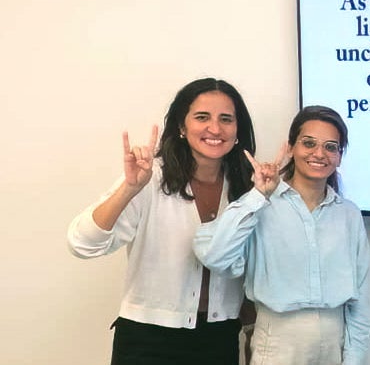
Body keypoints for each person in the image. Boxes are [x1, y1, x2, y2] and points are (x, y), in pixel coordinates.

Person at [67, 78, 256, 364]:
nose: (215, 129)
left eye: (226, 119)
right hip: (148, 340)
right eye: (202, 117)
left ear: (238, 129)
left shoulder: (248, 186)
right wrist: (129, 189)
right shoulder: (151, 177)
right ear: (182, 126)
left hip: (220, 338)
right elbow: (82, 244)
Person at [194, 105, 370, 365]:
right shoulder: (261, 205)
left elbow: (361, 298)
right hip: (277, 340)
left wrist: (353, 359)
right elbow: (214, 256)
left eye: (331, 147)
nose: (319, 154)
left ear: (340, 156)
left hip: (335, 341)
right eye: (308, 143)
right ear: (291, 147)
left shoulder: (348, 214)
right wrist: (258, 196)